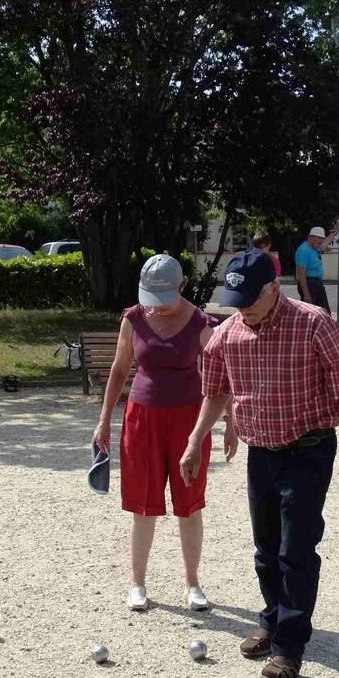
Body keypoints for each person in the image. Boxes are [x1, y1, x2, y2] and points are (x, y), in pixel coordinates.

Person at [179, 248, 339, 678]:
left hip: (309, 449)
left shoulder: (314, 324)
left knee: (296, 549)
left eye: (250, 299)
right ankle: (271, 619)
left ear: (273, 288)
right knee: (266, 548)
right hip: (261, 453)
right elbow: (215, 393)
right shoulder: (227, 334)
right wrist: (195, 442)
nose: (243, 309)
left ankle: (289, 647)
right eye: (236, 301)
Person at [93, 254, 234, 612]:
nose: (156, 307)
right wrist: (104, 419)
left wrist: (231, 421)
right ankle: (137, 583)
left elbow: (221, 375)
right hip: (142, 420)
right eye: (151, 298)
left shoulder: (200, 322)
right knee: (143, 505)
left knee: (189, 505)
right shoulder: (133, 318)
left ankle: (192, 583)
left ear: (182, 285)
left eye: (164, 299)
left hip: (189, 422)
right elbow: (119, 369)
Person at [294, 226, 331, 313]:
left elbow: (325, 243)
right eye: (319, 240)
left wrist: (334, 232)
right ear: (311, 237)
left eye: (321, 239)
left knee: (324, 313)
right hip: (309, 283)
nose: (320, 243)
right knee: (310, 313)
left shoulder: (314, 248)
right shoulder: (303, 250)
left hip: (317, 283)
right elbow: (301, 274)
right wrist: (306, 294)